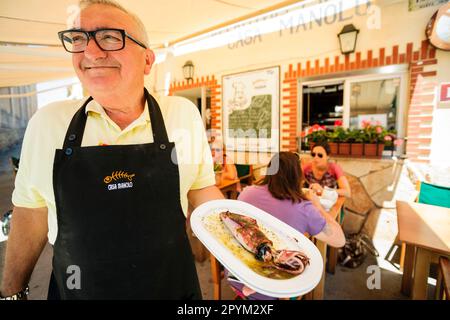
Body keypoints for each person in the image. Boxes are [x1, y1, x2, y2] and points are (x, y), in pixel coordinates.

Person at [0, 0, 224, 300]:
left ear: (147, 60)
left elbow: (201, 188)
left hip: (172, 289)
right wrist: (11, 293)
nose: (90, 52)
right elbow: (31, 211)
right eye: (78, 39)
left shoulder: (182, 114)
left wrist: (245, 243)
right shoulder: (48, 123)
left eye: (109, 36)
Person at [226, 152, 346, 300]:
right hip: (275, 290)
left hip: (235, 276)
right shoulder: (304, 208)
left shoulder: (246, 193)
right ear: (297, 177)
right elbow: (340, 240)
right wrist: (317, 205)